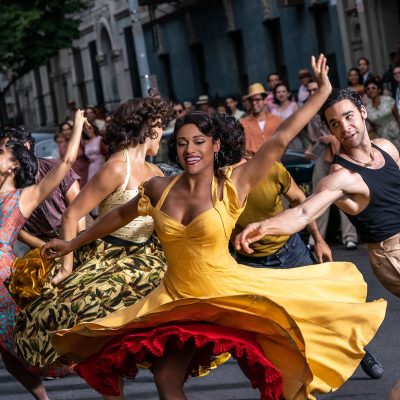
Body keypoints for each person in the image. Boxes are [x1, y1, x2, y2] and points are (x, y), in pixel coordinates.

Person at [42, 56, 386, 400]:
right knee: (165, 378)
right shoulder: (159, 188)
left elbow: (280, 139)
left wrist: (321, 92)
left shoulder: (232, 184)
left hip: (228, 295)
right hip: (179, 300)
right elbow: (118, 216)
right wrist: (73, 244)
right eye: (181, 143)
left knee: (280, 368)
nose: (189, 149)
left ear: (215, 146)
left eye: (198, 142)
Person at [13, 97, 171, 388]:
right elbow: (72, 215)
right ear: (150, 127)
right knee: (87, 331)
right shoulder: (116, 167)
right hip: (111, 258)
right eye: (162, 126)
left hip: (150, 259)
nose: (163, 132)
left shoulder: (157, 172)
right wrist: (66, 267)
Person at [235, 87, 400, 300]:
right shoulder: (341, 176)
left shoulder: (386, 148)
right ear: (331, 131)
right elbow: (304, 211)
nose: (345, 127)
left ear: (362, 112)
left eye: (348, 116)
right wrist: (264, 226)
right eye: (335, 124)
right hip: (390, 251)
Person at [0, 110, 85, 399]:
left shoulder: (23, 197)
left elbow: (67, 163)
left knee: (19, 348)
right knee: (12, 359)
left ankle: (82, 363)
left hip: (1, 279)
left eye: (0, 152)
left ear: (13, 164)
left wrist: (77, 127)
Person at [232, 160, 332, 268]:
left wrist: (319, 240)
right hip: (249, 262)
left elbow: (300, 204)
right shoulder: (218, 180)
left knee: (318, 284)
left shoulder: (273, 168)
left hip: (291, 251)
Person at [305, 80, 359, 251]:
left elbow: (348, 128)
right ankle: (316, 237)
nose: (313, 91)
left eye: (316, 88)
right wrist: (322, 141)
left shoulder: (336, 103)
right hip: (323, 154)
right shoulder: (311, 110)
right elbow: (313, 136)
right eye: (310, 90)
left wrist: (333, 138)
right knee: (318, 196)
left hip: (343, 152)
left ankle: (350, 237)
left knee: (345, 194)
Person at [241, 83, 283, 156]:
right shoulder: (243, 123)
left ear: (265, 100)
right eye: (251, 100)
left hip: (276, 163)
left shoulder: (277, 120)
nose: (254, 103)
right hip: (253, 164)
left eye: (257, 99)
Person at [365, 77, 400, 151]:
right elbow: (373, 126)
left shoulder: (388, 100)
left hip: (396, 133)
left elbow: (397, 117)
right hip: (383, 138)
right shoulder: (367, 109)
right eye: (368, 89)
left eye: (373, 88)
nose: (370, 90)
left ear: (379, 90)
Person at [58, 121, 89, 186]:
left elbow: (88, 154)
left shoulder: (79, 141)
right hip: (71, 175)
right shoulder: (61, 146)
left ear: (71, 130)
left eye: (68, 129)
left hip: (85, 172)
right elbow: (62, 163)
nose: (66, 132)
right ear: (62, 132)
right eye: (64, 130)